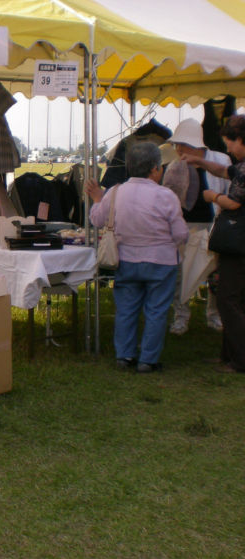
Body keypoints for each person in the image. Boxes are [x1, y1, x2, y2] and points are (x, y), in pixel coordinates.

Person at [86, 141, 189, 373]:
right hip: (161, 262)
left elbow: (97, 220)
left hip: (126, 260)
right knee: (157, 311)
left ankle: (124, 355)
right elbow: (181, 233)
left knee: (126, 309)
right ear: (155, 169)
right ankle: (148, 360)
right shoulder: (166, 195)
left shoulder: (114, 192)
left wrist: (96, 200)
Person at [182, 114, 245, 373]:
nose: (227, 149)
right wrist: (199, 160)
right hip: (238, 243)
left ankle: (239, 360)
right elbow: (223, 170)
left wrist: (213, 196)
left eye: (230, 143)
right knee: (233, 299)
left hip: (238, 243)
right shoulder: (239, 166)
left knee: (228, 300)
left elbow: (235, 202)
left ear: (241, 139)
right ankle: (228, 355)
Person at [166, 119, 231, 335]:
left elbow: (230, 192)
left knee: (214, 273)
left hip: (213, 225)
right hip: (183, 227)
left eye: (180, 145)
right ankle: (181, 317)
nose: (178, 149)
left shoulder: (220, 161)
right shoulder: (175, 166)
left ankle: (214, 315)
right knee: (180, 275)